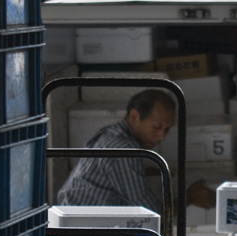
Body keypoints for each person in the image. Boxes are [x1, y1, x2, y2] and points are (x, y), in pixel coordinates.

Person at [58, 89, 213, 212]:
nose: (161, 137)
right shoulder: (124, 151)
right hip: (82, 233)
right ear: (134, 117)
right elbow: (150, 213)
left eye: (166, 129)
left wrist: (142, 171)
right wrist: (190, 197)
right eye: (157, 127)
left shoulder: (111, 133)